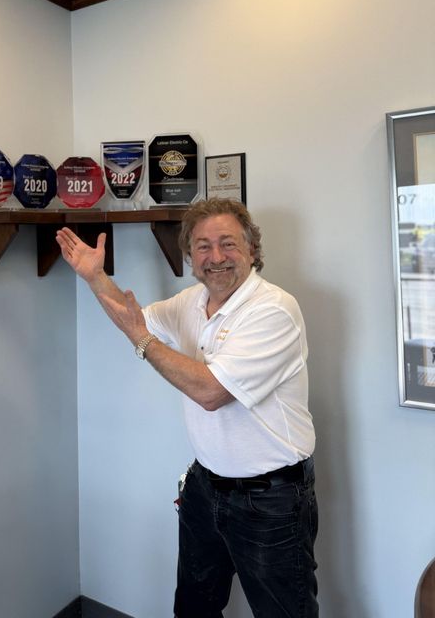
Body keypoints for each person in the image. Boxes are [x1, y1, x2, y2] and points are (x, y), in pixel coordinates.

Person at [56, 198, 318, 618]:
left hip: (271, 500)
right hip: (204, 487)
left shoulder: (274, 310)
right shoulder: (192, 301)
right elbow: (133, 317)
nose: (216, 257)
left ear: (251, 249)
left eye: (228, 244)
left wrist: (143, 342)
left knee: (286, 613)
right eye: (202, 246)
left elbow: (212, 393)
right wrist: (95, 277)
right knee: (194, 609)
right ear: (190, 255)